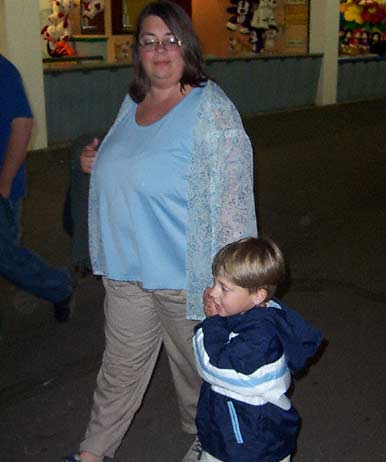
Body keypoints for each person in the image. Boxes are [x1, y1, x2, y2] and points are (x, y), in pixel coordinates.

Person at [65, 2, 257, 462]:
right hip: (127, 270)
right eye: (149, 41)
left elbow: (235, 201)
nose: (160, 51)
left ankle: (209, 442)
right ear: (138, 52)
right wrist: (93, 160)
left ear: (187, 46)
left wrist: (235, 284)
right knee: (119, 371)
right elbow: (122, 156)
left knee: (198, 377)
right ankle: (92, 453)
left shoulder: (211, 109)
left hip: (184, 276)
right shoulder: (132, 102)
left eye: (170, 40)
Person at [194, 237, 323, 462]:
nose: (213, 292)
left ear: (258, 295)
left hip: (249, 442)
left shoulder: (260, 339)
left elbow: (211, 366)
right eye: (214, 282)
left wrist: (211, 322)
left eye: (224, 288)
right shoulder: (249, 314)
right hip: (234, 431)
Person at [0, 54, 73, 323]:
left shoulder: (3, 71)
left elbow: (23, 125)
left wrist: (5, 184)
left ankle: (59, 287)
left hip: (2, 186)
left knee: (6, 256)